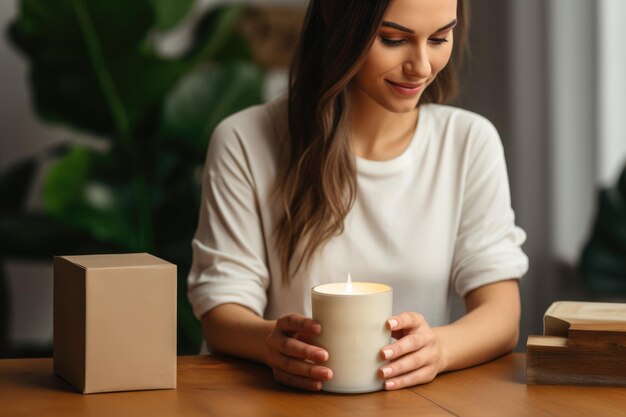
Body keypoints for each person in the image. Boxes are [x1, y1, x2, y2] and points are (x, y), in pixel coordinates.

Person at [187, 0, 528, 392]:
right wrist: (271, 345)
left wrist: (439, 349)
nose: (421, 66)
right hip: (278, 400)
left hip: (412, 403)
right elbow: (221, 309)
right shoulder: (245, 141)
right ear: (341, 29)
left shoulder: (468, 143)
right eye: (393, 39)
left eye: (438, 38)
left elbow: (501, 313)